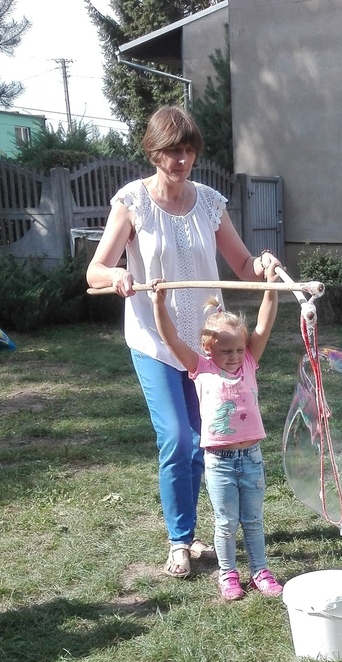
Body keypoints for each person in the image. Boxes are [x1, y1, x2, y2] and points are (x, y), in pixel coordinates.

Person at [86, 105, 281, 579]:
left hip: (209, 348)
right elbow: (95, 270)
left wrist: (265, 265)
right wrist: (117, 276)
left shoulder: (210, 202)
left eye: (189, 150)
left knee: (203, 441)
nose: (183, 159)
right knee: (176, 437)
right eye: (173, 151)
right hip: (156, 342)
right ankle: (179, 540)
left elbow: (243, 266)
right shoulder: (132, 202)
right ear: (154, 152)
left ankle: (193, 532)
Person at [149, 266, 283, 601]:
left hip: (251, 458)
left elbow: (264, 323)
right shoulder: (201, 368)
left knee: (253, 520)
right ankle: (228, 574)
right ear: (208, 349)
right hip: (219, 462)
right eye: (226, 351)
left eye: (238, 349)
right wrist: (159, 303)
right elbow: (171, 339)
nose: (234, 356)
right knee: (226, 523)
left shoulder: (249, 361)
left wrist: (270, 287)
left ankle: (260, 572)